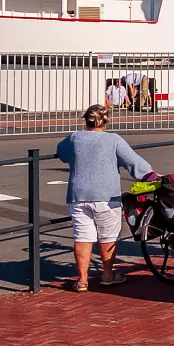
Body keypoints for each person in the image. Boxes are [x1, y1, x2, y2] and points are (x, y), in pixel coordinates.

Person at [55, 104, 154, 292]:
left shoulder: (75, 138)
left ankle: (82, 279)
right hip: (107, 196)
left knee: (82, 236)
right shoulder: (113, 140)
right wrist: (152, 176)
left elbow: (61, 152)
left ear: (85, 120)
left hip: (79, 195)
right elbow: (134, 163)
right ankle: (107, 275)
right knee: (108, 236)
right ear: (106, 121)